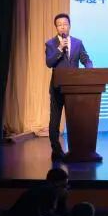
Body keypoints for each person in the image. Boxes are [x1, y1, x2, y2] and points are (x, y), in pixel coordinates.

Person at [45, 13, 93, 161]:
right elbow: (49, 63)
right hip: (58, 87)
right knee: (55, 119)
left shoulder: (78, 43)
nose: (62, 27)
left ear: (69, 25)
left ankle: (78, 148)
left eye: (65, 24)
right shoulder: (51, 44)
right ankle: (56, 149)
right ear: (56, 27)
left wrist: (90, 70)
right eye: (59, 25)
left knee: (76, 119)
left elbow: (85, 59)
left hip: (74, 87)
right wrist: (60, 49)